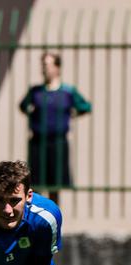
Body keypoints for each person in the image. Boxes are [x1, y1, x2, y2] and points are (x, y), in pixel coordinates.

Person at [19, 52, 91, 204]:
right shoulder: (36, 92)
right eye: (43, 65)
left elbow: (85, 106)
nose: (44, 68)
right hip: (38, 142)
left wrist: (74, 113)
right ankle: (34, 217)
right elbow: (23, 106)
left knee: (55, 185)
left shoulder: (67, 92)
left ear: (57, 68)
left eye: (48, 65)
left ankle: (52, 218)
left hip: (58, 143)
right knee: (35, 183)